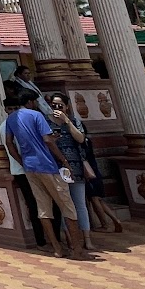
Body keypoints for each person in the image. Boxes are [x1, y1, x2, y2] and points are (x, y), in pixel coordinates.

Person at [4, 89, 87, 258]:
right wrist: (64, 161)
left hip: (30, 167)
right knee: (68, 207)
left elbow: (9, 143)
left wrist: (21, 160)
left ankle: (56, 247)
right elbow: (48, 140)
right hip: (47, 165)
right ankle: (77, 249)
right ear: (30, 102)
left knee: (43, 209)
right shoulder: (36, 115)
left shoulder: (11, 119)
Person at [48, 93, 98, 251]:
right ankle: (70, 238)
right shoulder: (47, 123)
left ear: (66, 106)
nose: (57, 109)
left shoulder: (74, 121)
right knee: (64, 204)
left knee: (80, 204)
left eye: (60, 105)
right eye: (53, 106)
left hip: (76, 167)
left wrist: (67, 121)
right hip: (58, 167)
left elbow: (81, 139)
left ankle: (87, 238)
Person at [3, 92, 51, 249]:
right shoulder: (9, 124)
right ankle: (44, 238)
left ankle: (45, 238)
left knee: (38, 203)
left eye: (15, 107)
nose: (12, 111)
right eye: (10, 108)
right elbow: (12, 146)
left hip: (25, 167)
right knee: (38, 203)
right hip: (26, 168)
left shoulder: (10, 123)